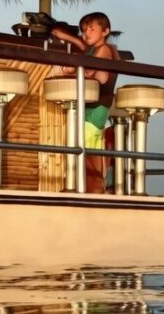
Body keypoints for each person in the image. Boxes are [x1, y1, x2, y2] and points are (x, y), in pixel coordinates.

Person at [50, 11, 120, 192]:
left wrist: (68, 70)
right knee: (89, 147)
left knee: (85, 146)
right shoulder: (94, 49)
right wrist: (67, 36)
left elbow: (89, 71)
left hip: (98, 104)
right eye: (83, 30)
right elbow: (83, 46)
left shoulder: (105, 49)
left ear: (105, 31)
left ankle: (90, 189)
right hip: (92, 104)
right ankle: (90, 189)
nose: (86, 33)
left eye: (91, 29)